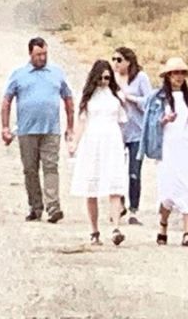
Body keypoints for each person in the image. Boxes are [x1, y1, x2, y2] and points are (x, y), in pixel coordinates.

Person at [2, 37, 74, 223]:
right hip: (26, 130)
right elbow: (7, 100)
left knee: (51, 167)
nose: (42, 58)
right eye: (38, 54)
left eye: (44, 54)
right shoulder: (19, 75)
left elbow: (68, 98)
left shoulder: (56, 73)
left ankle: (53, 207)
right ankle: (35, 206)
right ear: (30, 54)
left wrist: (70, 125)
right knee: (30, 169)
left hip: (51, 129)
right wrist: (5, 127)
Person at [140, 57, 188, 247]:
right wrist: (164, 120)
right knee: (168, 191)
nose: (179, 77)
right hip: (168, 146)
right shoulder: (157, 98)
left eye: (182, 73)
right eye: (175, 73)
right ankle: (163, 224)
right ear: (169, 76)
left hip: (187, 145)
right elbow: (150, 124)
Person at [68, 60, 130, 246]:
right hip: (92, 141)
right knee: (91, 187)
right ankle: (94, 230)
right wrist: (74, 143)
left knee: (115, 185)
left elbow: (122, 122)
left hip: (111, 141)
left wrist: (125, 144)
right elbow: (82, 122)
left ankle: (116, 227)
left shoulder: (116, 96)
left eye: (107, 78)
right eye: (101, 78)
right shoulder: (88, 98)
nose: (104, 81)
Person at [112, 47, 154, 225]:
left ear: (129, 62)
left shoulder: (140, 78)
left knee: (134, 172)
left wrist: (131, 99)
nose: (115, 63)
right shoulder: (111, 79)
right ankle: (118, 204)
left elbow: (150, 101)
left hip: (136, 131)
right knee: (115, 170)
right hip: (117, 131)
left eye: (119, 60)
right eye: (113, 59)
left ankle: (133, 209)